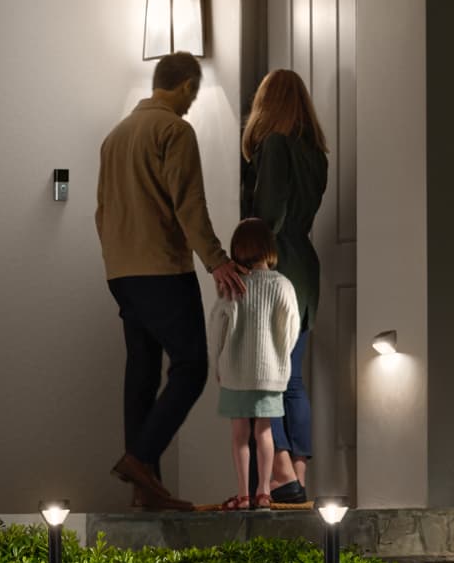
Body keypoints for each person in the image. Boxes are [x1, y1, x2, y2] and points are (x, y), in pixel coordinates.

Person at [96, 51, 247, 511]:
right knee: (191, 367)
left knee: (141, 370)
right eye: (193, 93)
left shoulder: (115, 136)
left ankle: (148, 490)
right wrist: (217, 260)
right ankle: (140, 458)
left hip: (121, 271)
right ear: (184, 86)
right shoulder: (174, 130)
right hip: (162, 268)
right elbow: (189, 204)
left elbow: (102, 211)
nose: (192, 102)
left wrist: (116, 259)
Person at [240, 68, 328, 508]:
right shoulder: (316, 154)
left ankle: (280, 475)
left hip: (277, 267)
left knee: (264, 380)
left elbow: (269, 215)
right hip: (307, 270)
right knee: (292, 380)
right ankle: (299, 475)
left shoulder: (273, 145)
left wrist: (248, 261)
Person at [207, 218, 301, 511]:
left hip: (236, 372)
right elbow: (292, 328)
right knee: (264, 433)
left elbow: (217, 328)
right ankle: (263, 491)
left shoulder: (232, 286)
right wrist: (280, 358)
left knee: (239, 436)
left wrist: (218, 363)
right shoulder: (283, 284)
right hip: (269, 374)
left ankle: (243, 492)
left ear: (237, 248)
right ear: (269, 248)